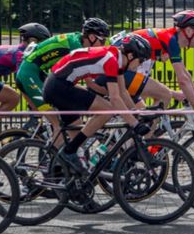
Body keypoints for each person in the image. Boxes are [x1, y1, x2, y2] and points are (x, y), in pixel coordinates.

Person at [42, 34, 152, 173]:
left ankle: (64, 177)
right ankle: (69, 151)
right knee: (107, 110)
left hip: (59, 84)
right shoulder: (111, 60)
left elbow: (123, 92)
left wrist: (136, 114)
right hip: (59, 87)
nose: (141, 64)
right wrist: (135, 124)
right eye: (141, 60)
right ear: (130, 56)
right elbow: (115, 98)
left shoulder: (116, 58)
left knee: (77, 138)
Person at [16, 18, 109, 144]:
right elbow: (90, 83)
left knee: (74, 124)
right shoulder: (77, 47)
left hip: (38, 73)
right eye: (102, 40)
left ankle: (63, 158)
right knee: (57, 124)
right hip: (29, 75)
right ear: (92, 37)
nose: (104, 45)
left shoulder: (77, 40)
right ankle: (52, 161)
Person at [109, 10, 194, 109]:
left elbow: (186, 75)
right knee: (165, 95)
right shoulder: (171, 41)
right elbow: (182, 80)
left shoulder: (170, 38)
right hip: (122, 69)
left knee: (146, 112)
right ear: (189, 31)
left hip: (124, 68)